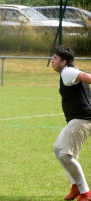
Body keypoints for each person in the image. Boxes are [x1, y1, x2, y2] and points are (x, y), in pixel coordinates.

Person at [52, 45, 91, 201]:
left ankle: (86, 193)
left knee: (65, 155)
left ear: (63, 62)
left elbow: (85, 76)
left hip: (82, 119)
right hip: (79, 119)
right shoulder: (69, 72)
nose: (52, 61)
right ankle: (76, 186)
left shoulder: (68, 71)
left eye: (55, 58)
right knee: (57, 149)